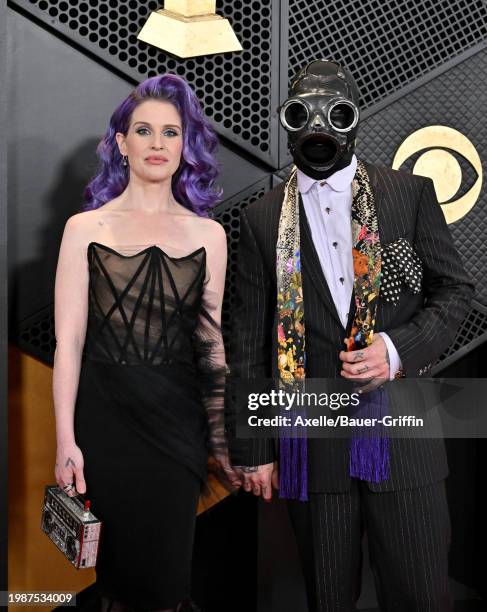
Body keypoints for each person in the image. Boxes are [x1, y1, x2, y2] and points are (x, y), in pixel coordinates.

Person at [229, 59, 474, 611]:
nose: (317, 128)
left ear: (353, 119)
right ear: (287, 123)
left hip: (404, 436)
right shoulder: (262, 219)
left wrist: (395, 350)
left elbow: (456, 291)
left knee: (419, 597)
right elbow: (248, 339)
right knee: (328, 598)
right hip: (313, 445)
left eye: (333, 112)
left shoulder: (409, 193)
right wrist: (253, 450)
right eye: (301, 113)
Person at [52, 74, 240, 612]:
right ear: (121, 143)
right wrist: (66, 442)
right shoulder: (83, 228)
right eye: (144, 130)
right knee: (118, 580)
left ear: (186, 146)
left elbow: (211, 348)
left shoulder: (210, 236)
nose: (157, 143)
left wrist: (222, 440)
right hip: (105, 425)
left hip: (178, 429)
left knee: (163, 584)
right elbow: (69, 343)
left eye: (171, 132)